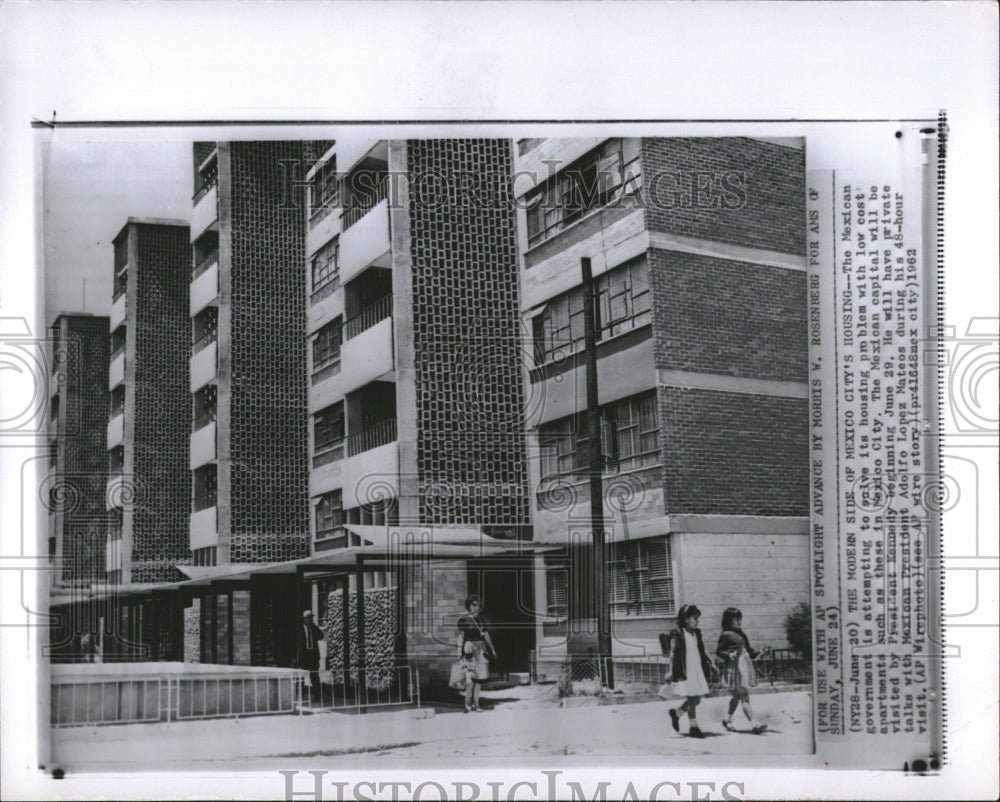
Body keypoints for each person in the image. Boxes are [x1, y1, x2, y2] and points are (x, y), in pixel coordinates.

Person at [664, 604, 713, 738]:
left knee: (696, 700)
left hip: (697, 669)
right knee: (692, 699)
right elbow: (673, 653)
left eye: (698, 618)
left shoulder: (697, 633)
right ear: (685, 619)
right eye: (694, 618)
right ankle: (693, 727)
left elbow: (703, 649)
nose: (697, 621)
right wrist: (670, 671)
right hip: (685, 670)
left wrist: (712, 661)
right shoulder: (678, 633)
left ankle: (677, 714)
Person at [716, 607, 767, 734]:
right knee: (744, 696)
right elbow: (719, 651)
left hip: (744, 667)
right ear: (729, 621)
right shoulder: (725, 634)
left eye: (740, 619)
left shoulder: (742, 634)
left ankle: (727, 719)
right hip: (734, 669)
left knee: (738, 695)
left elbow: (750, 651)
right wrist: (729, 655)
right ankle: (754, 724)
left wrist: (760, 652)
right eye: (736, 619)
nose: (739, 621)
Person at [456, 594, 497, 713]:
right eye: (474, 604)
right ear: (469, 606)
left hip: (481, 650)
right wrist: (459, 653)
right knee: (469, 681)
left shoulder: (480, 619)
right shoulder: (463, 620)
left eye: (478, 604)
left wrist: (492, 649)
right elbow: (460, 637)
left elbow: (486, 635)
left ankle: (477, 704)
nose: (477, 606)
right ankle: (467, 704)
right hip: (469, 649)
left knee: (479, 679)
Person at [296, 610, 325, 700]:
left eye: (311, 618)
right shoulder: (299, 629)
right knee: (301, 677)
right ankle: (299, 696)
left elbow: (321, 636)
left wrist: (315, 627)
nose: (310, 620)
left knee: (315, 676)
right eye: (308, 618)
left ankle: (318, 696)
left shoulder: (313, 629)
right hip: (303, 656)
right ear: (304, 619)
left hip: (313, 655)